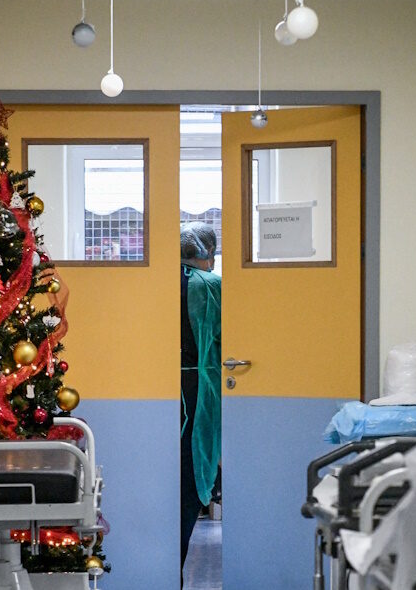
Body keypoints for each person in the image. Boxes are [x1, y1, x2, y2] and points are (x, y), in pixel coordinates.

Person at [179, 222, 221, 575]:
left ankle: (169, 570)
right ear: (209, 253)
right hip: (198, 391)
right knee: (194, 469)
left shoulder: (161, 284)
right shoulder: (211, 286)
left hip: (168, 392)